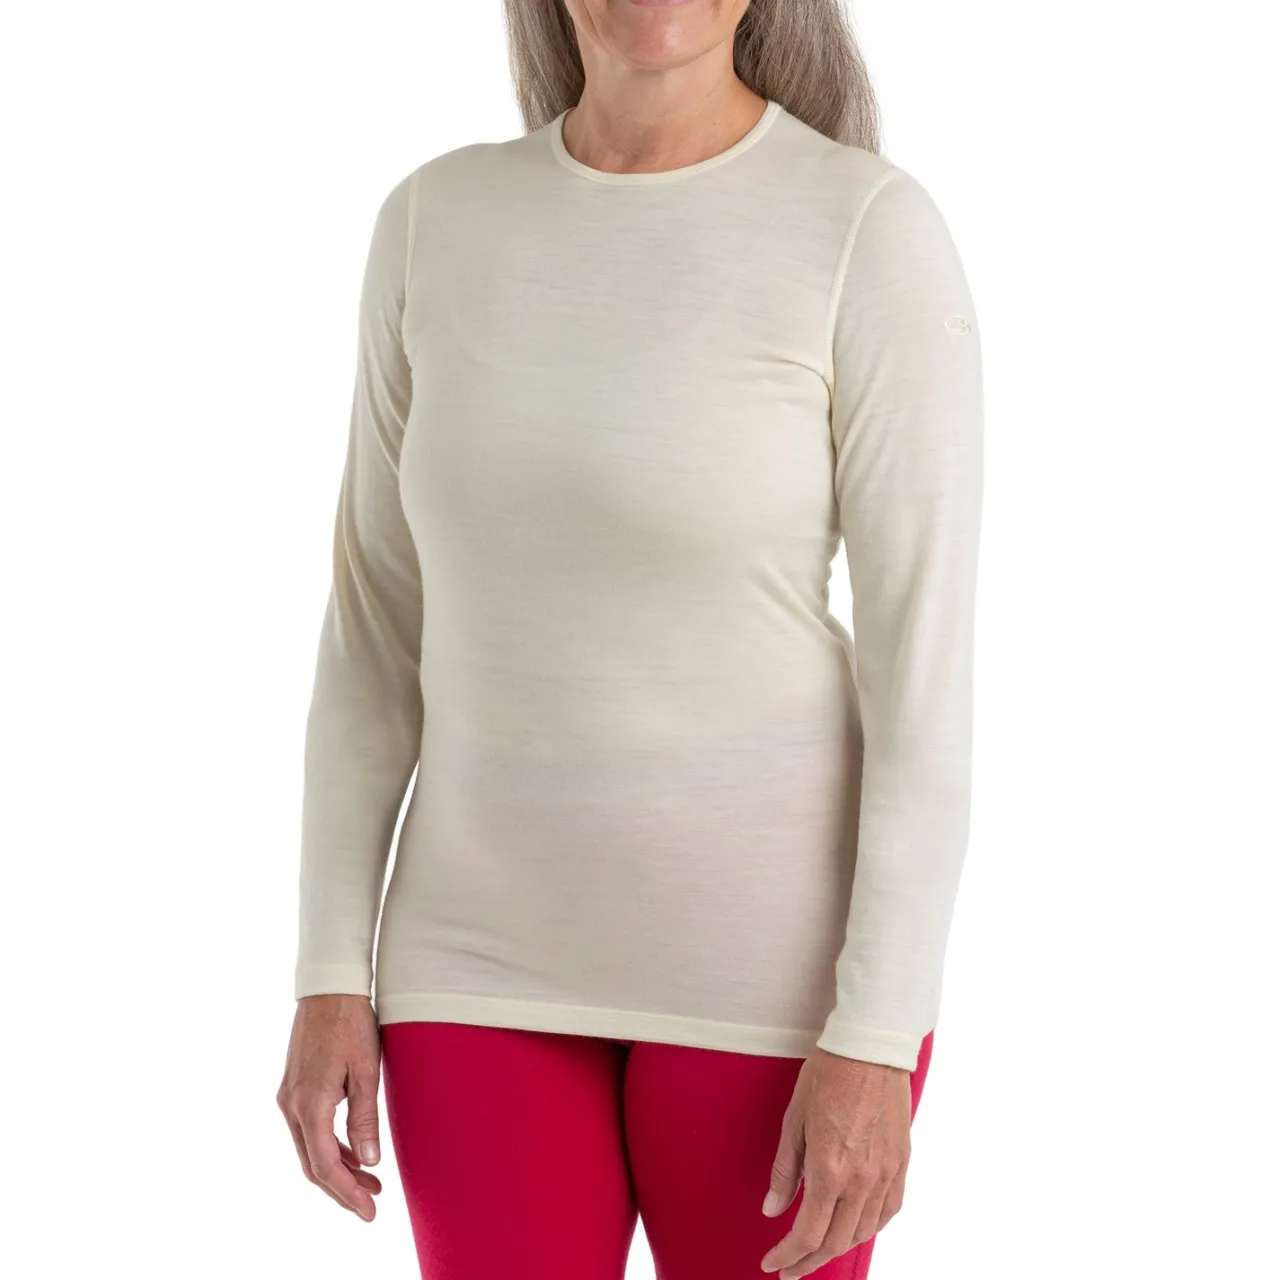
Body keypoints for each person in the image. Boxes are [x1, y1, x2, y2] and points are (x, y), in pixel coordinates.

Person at [275, 1, 984, 1277]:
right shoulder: (434, 222)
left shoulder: (863, 230)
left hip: (775, 987)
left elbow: (919, 675)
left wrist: (879, 1029)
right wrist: (330, 965)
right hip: (471, 967)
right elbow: (373, 628)